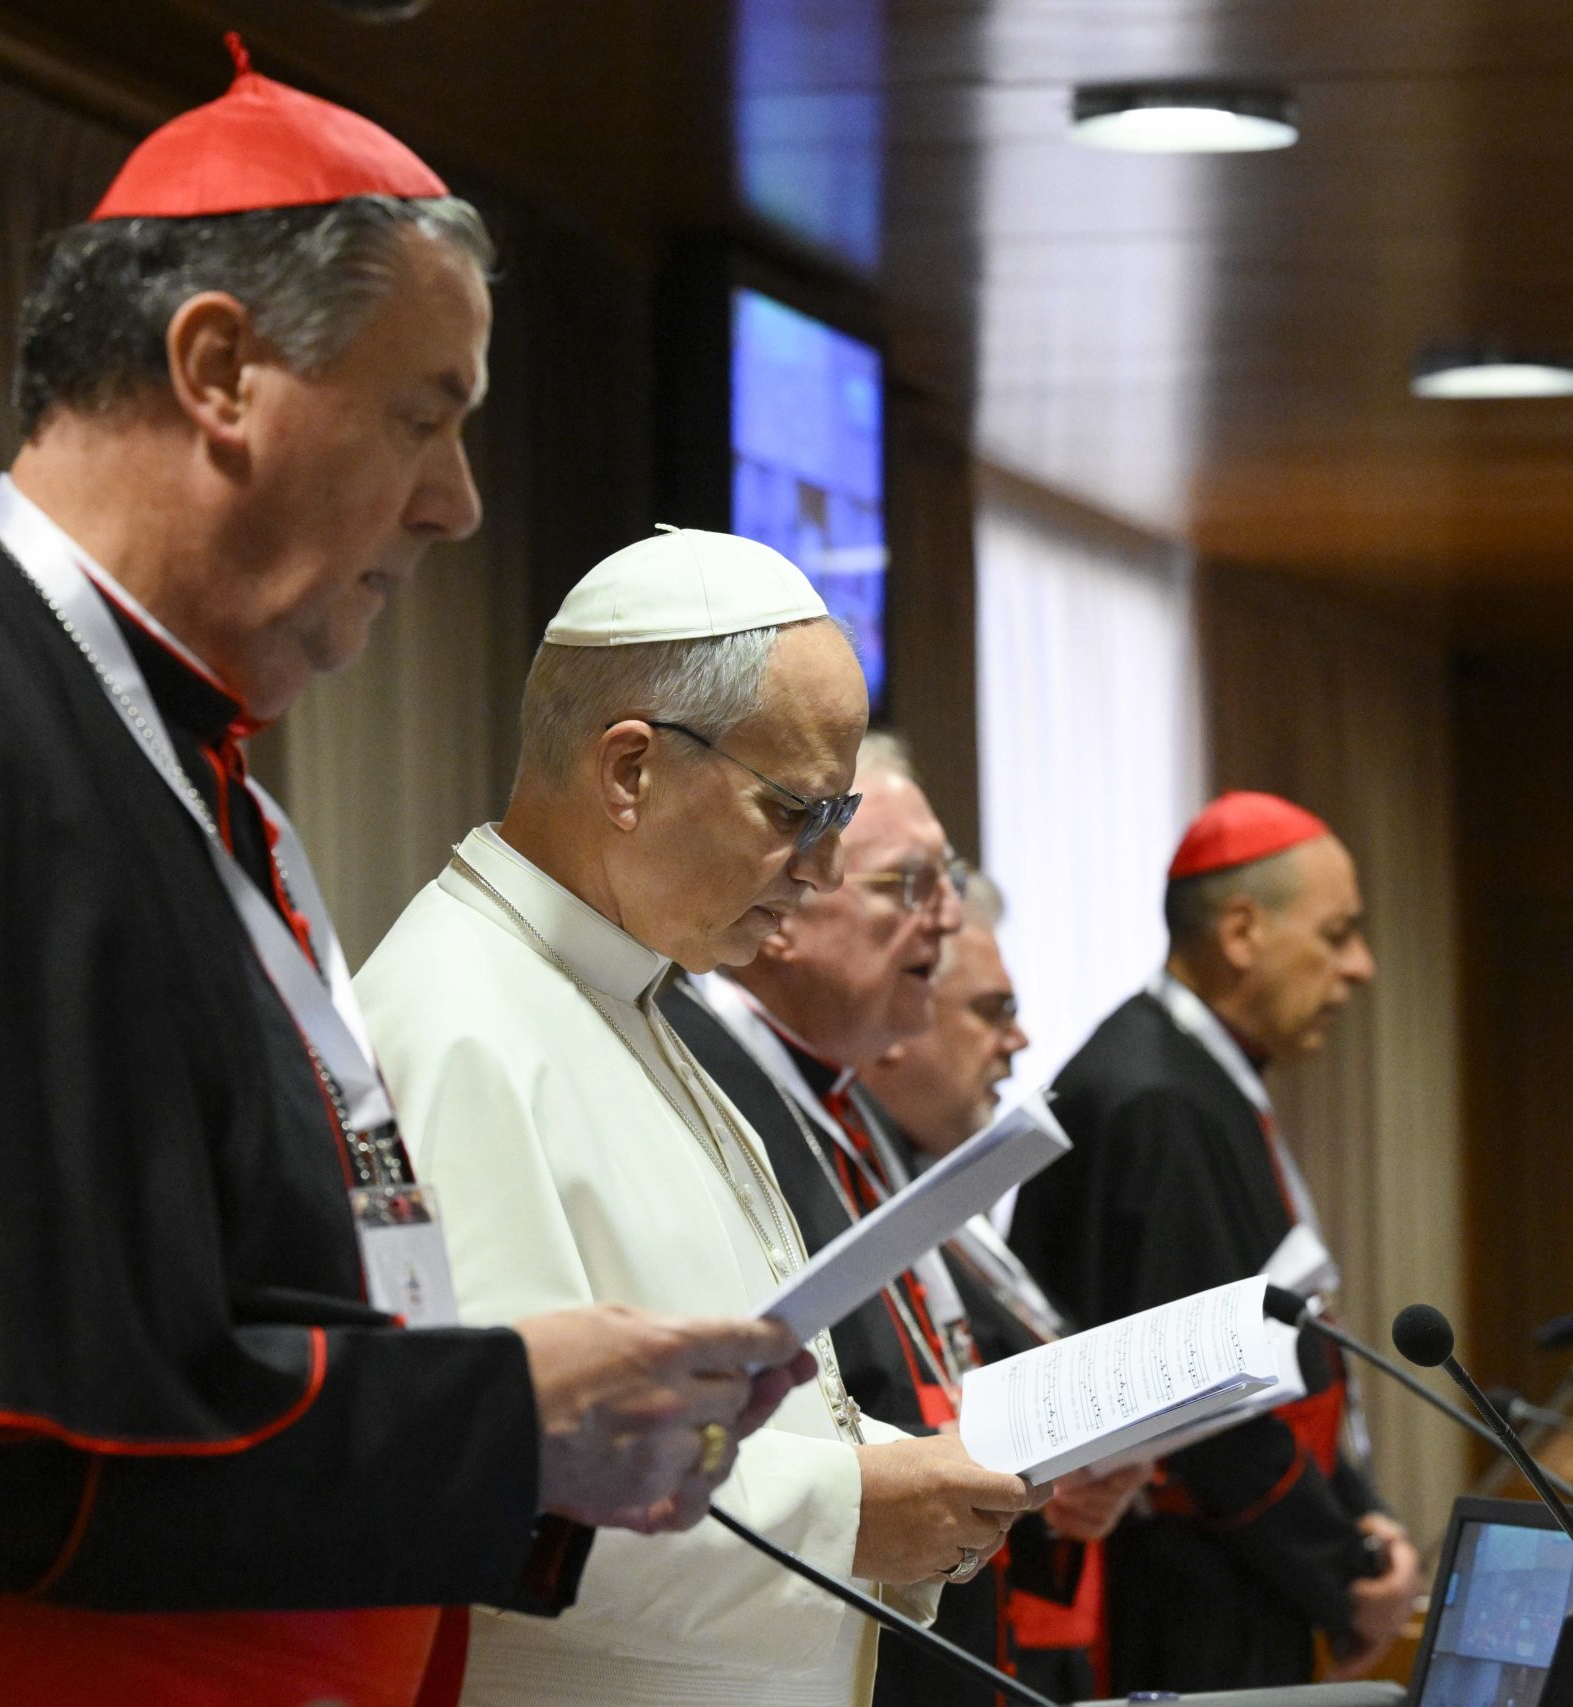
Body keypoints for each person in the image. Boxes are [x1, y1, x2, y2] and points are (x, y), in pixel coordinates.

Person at [0, 45, 805, 1707]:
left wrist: (548, 1447)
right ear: (220, 368)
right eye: (423, 417)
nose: (456, 503)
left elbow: (224, 1337)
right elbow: (1, 1467)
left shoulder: (156, 757)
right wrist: (506, 1413)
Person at [356, 531, 1043, 1707]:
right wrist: (855, 1515)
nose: (819, 872)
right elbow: (492, 1490)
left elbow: (711, 1410)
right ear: (630, 771)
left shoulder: (623, 993)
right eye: (794, 813)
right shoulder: (457, 1024)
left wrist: (895, 1471)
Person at [665, 740, 1146, 1705]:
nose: (950, 918)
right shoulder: (712, 1079)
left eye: (951, 881)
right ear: (792, 910)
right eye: (911, 884)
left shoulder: (845, 1099)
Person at [1008, 790, 1420, 1693]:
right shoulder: (1158, 1098)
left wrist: (1361, 1515)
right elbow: (1205, 1401)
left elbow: (1275, 1339)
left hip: (1225, 1568)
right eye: (1338, 933)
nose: (1361, 968)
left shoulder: (1196, 1074)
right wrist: (1346, 1574)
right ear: (1241, 931)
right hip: (1180, 1593)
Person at [854, 867, 1142, 1700]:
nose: (1017, 1042)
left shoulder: (941, 1188)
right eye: (992, 1010)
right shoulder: (843, 1176)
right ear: (899, 1022)